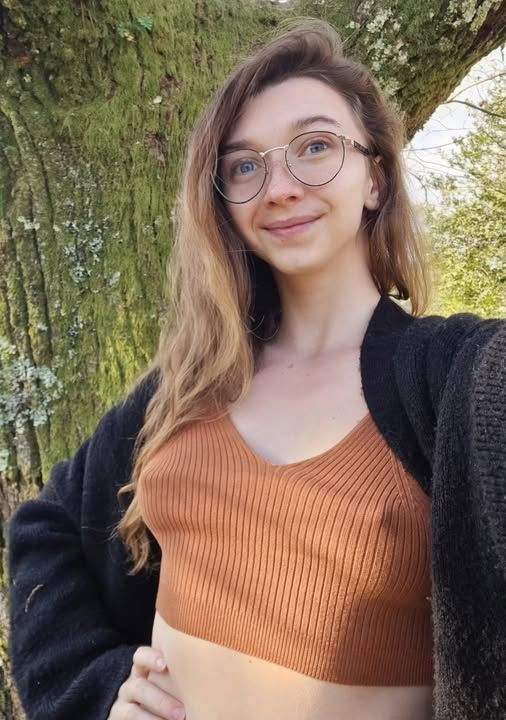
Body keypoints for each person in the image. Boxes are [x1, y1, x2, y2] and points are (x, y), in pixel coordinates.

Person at [7, 18, 505, 720]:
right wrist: (94, 691)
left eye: (315, 147)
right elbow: (49, 524)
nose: (280, 188)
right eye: (245, 166)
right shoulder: (192, 381)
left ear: (375, 177)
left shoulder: (456, 378)